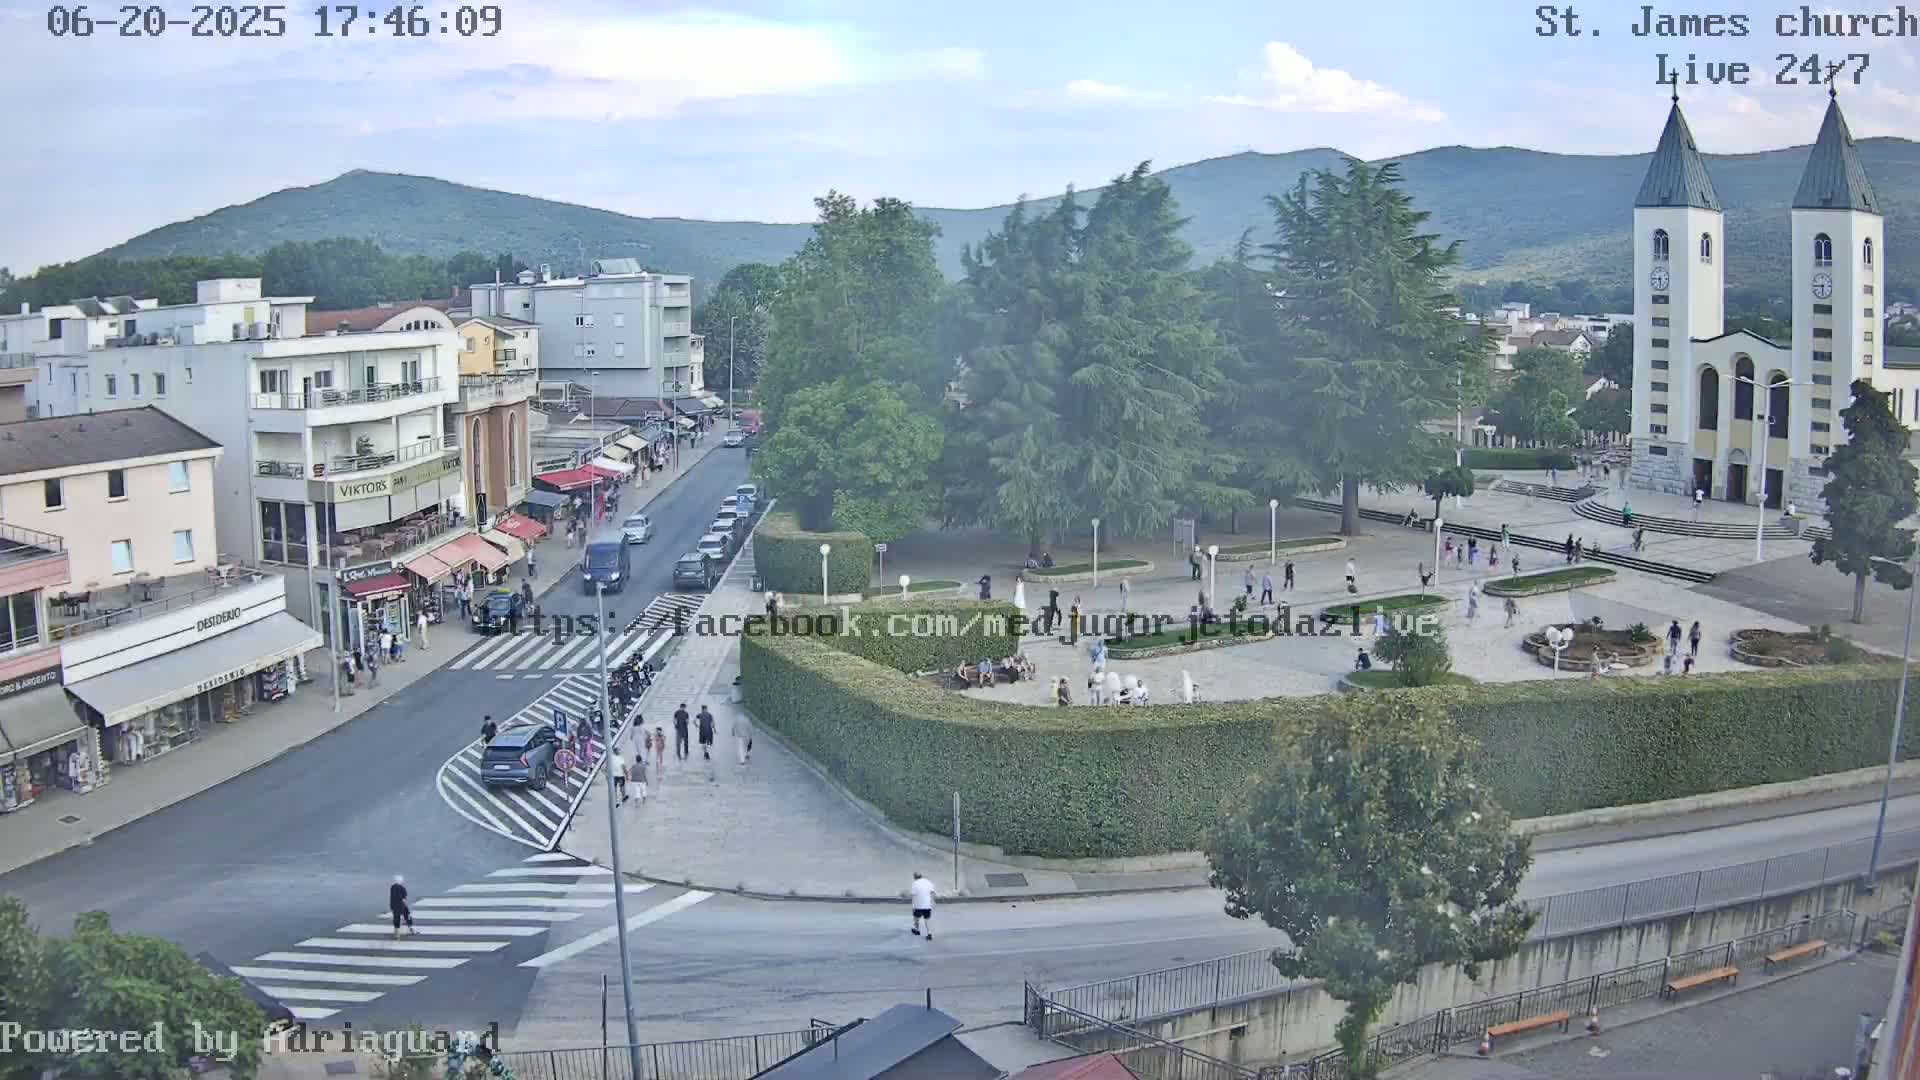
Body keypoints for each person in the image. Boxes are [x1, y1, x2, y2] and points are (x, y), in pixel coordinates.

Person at [910, 872, 936, 939]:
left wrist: (913, 907)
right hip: (927, 905)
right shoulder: (928, 882)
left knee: (916, 917)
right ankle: (929, 933)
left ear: (915, 877)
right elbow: (932, 892)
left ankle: (917, 930)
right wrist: (932, 902)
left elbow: (913, 895)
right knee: (927, 919)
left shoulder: (915, 883)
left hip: (918, 905)